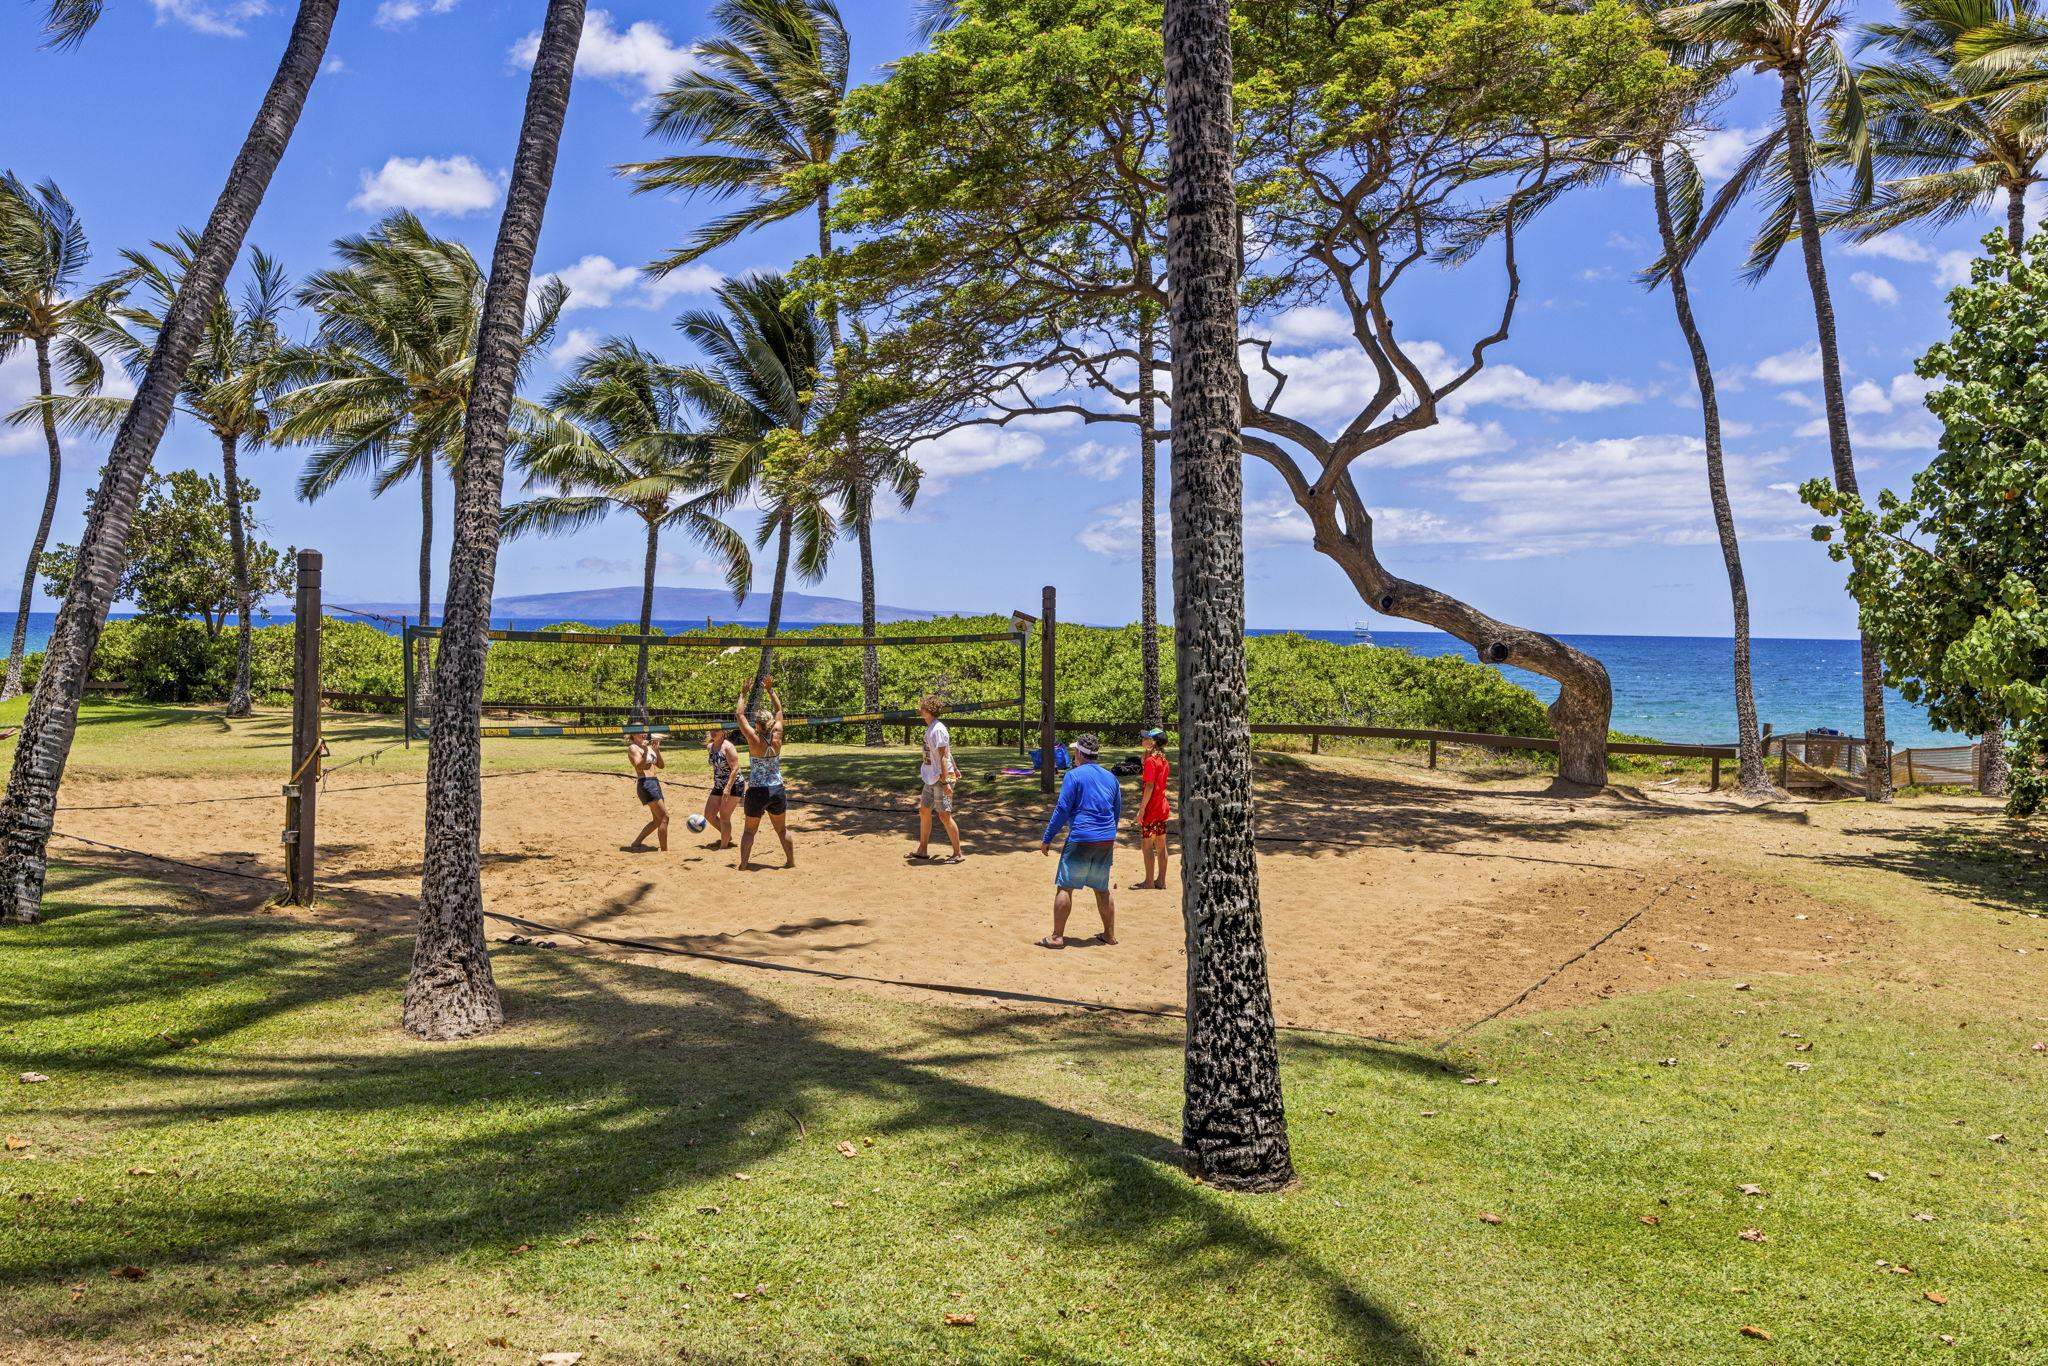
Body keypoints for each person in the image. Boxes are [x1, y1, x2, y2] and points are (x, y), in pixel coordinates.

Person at [1037, 732, 1120, 948]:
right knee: (1102, 888)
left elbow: (1062, 809)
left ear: (1079, 754)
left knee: (1065, 887)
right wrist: (1109, 835)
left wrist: (1047, 838)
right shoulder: (1111, 777)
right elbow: (1116, 811)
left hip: (1082, 836)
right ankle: (1109, 935)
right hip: (1105, 838)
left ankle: (1056, 937)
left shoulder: (1073, 776)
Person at [734, 679, 794, 870]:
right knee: (781, 829)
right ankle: (791, 862)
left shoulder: (753, 738)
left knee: (749, 831)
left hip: (758, 790)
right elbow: (779, 711)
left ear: (757, 725)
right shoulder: (777, 734)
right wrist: (770, 690)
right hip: (777, 788)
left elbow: (739, 714)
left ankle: (743, 865)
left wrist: (743, 693)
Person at [912, 693, 963, 863]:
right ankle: (922, 849)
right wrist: (956, 768)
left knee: (945, 816)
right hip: (930, 777)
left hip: (941, 779)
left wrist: (947, 780)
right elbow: (946, 752)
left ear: (929, 710)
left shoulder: (938, 729)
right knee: (924, 811)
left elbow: (943, 756)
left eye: (922, 707)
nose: (919, 709)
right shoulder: (931, 727)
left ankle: (957, 853)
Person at [1136, 726, 1171, 889]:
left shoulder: (1151, 761)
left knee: (1147, 845)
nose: (1143, 740)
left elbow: (1149, 786)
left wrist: (1142, 809)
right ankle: (1161, 880)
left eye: (1147, 738)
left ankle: (1149, 881)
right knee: (1161, 843)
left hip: (1152, 807)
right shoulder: (1163, 760)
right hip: (1162, 806)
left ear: (1153, 742)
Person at [702, 725, 746, 848]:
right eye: (711, 729)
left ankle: (724, 846)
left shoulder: (728, 747)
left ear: (723, 732)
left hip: (734, 785)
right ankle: (726, 835)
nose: (713, 732)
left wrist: (728, 787)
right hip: (719, 785)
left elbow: (735, 768)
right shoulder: (710, 747)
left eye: (716, 730)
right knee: (709, 815)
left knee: (724, 815)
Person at [626, 729, 668, 852]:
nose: (644, 734)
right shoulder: (633, 748)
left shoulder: (648, 747)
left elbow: (661, 765)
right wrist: (644, 752)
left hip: (654, 782)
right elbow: (639, 766)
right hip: (646, 783)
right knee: (665, 817)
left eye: (645, 732)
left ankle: (636, 842)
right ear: (633, 734)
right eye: (640, 732)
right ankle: (665, 851)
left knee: (657, 820)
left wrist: (656, 751)